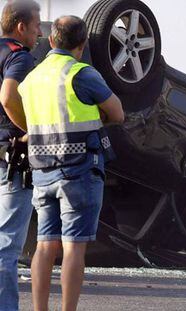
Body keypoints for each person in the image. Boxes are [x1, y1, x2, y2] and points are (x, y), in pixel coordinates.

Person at [18, 15, 124, 311]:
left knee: (44, 245)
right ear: (83, 44)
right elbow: (117, 113)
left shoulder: (31, 80)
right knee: (73, 247)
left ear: (51, 40)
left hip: (41, 172)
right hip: (78, 171)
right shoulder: (82, 73)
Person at [0, 1, 41, 310]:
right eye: (37, 26)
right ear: (21, 27)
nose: (40, 33)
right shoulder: (20, 57)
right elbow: (8, 95)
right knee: (7, 246)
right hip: (12, 159)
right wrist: (29, 128)